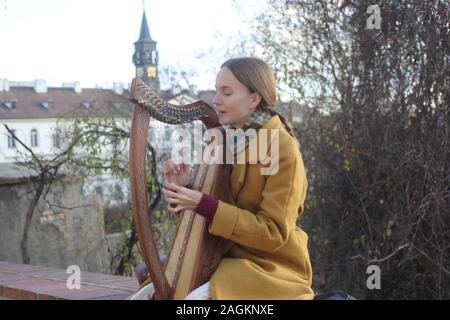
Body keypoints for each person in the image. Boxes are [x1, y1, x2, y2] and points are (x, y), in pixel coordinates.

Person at [130, 57, 314, 300]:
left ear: (254, 99)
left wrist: (202, 203)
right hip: (223, 258)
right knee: (141, 297)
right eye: (217, 91)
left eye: (226, 92)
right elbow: (208, 213)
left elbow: (273, 234)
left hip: (268, 267)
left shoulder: (282, 148)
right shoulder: (228, 141)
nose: (216, 100)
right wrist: (184, 187)